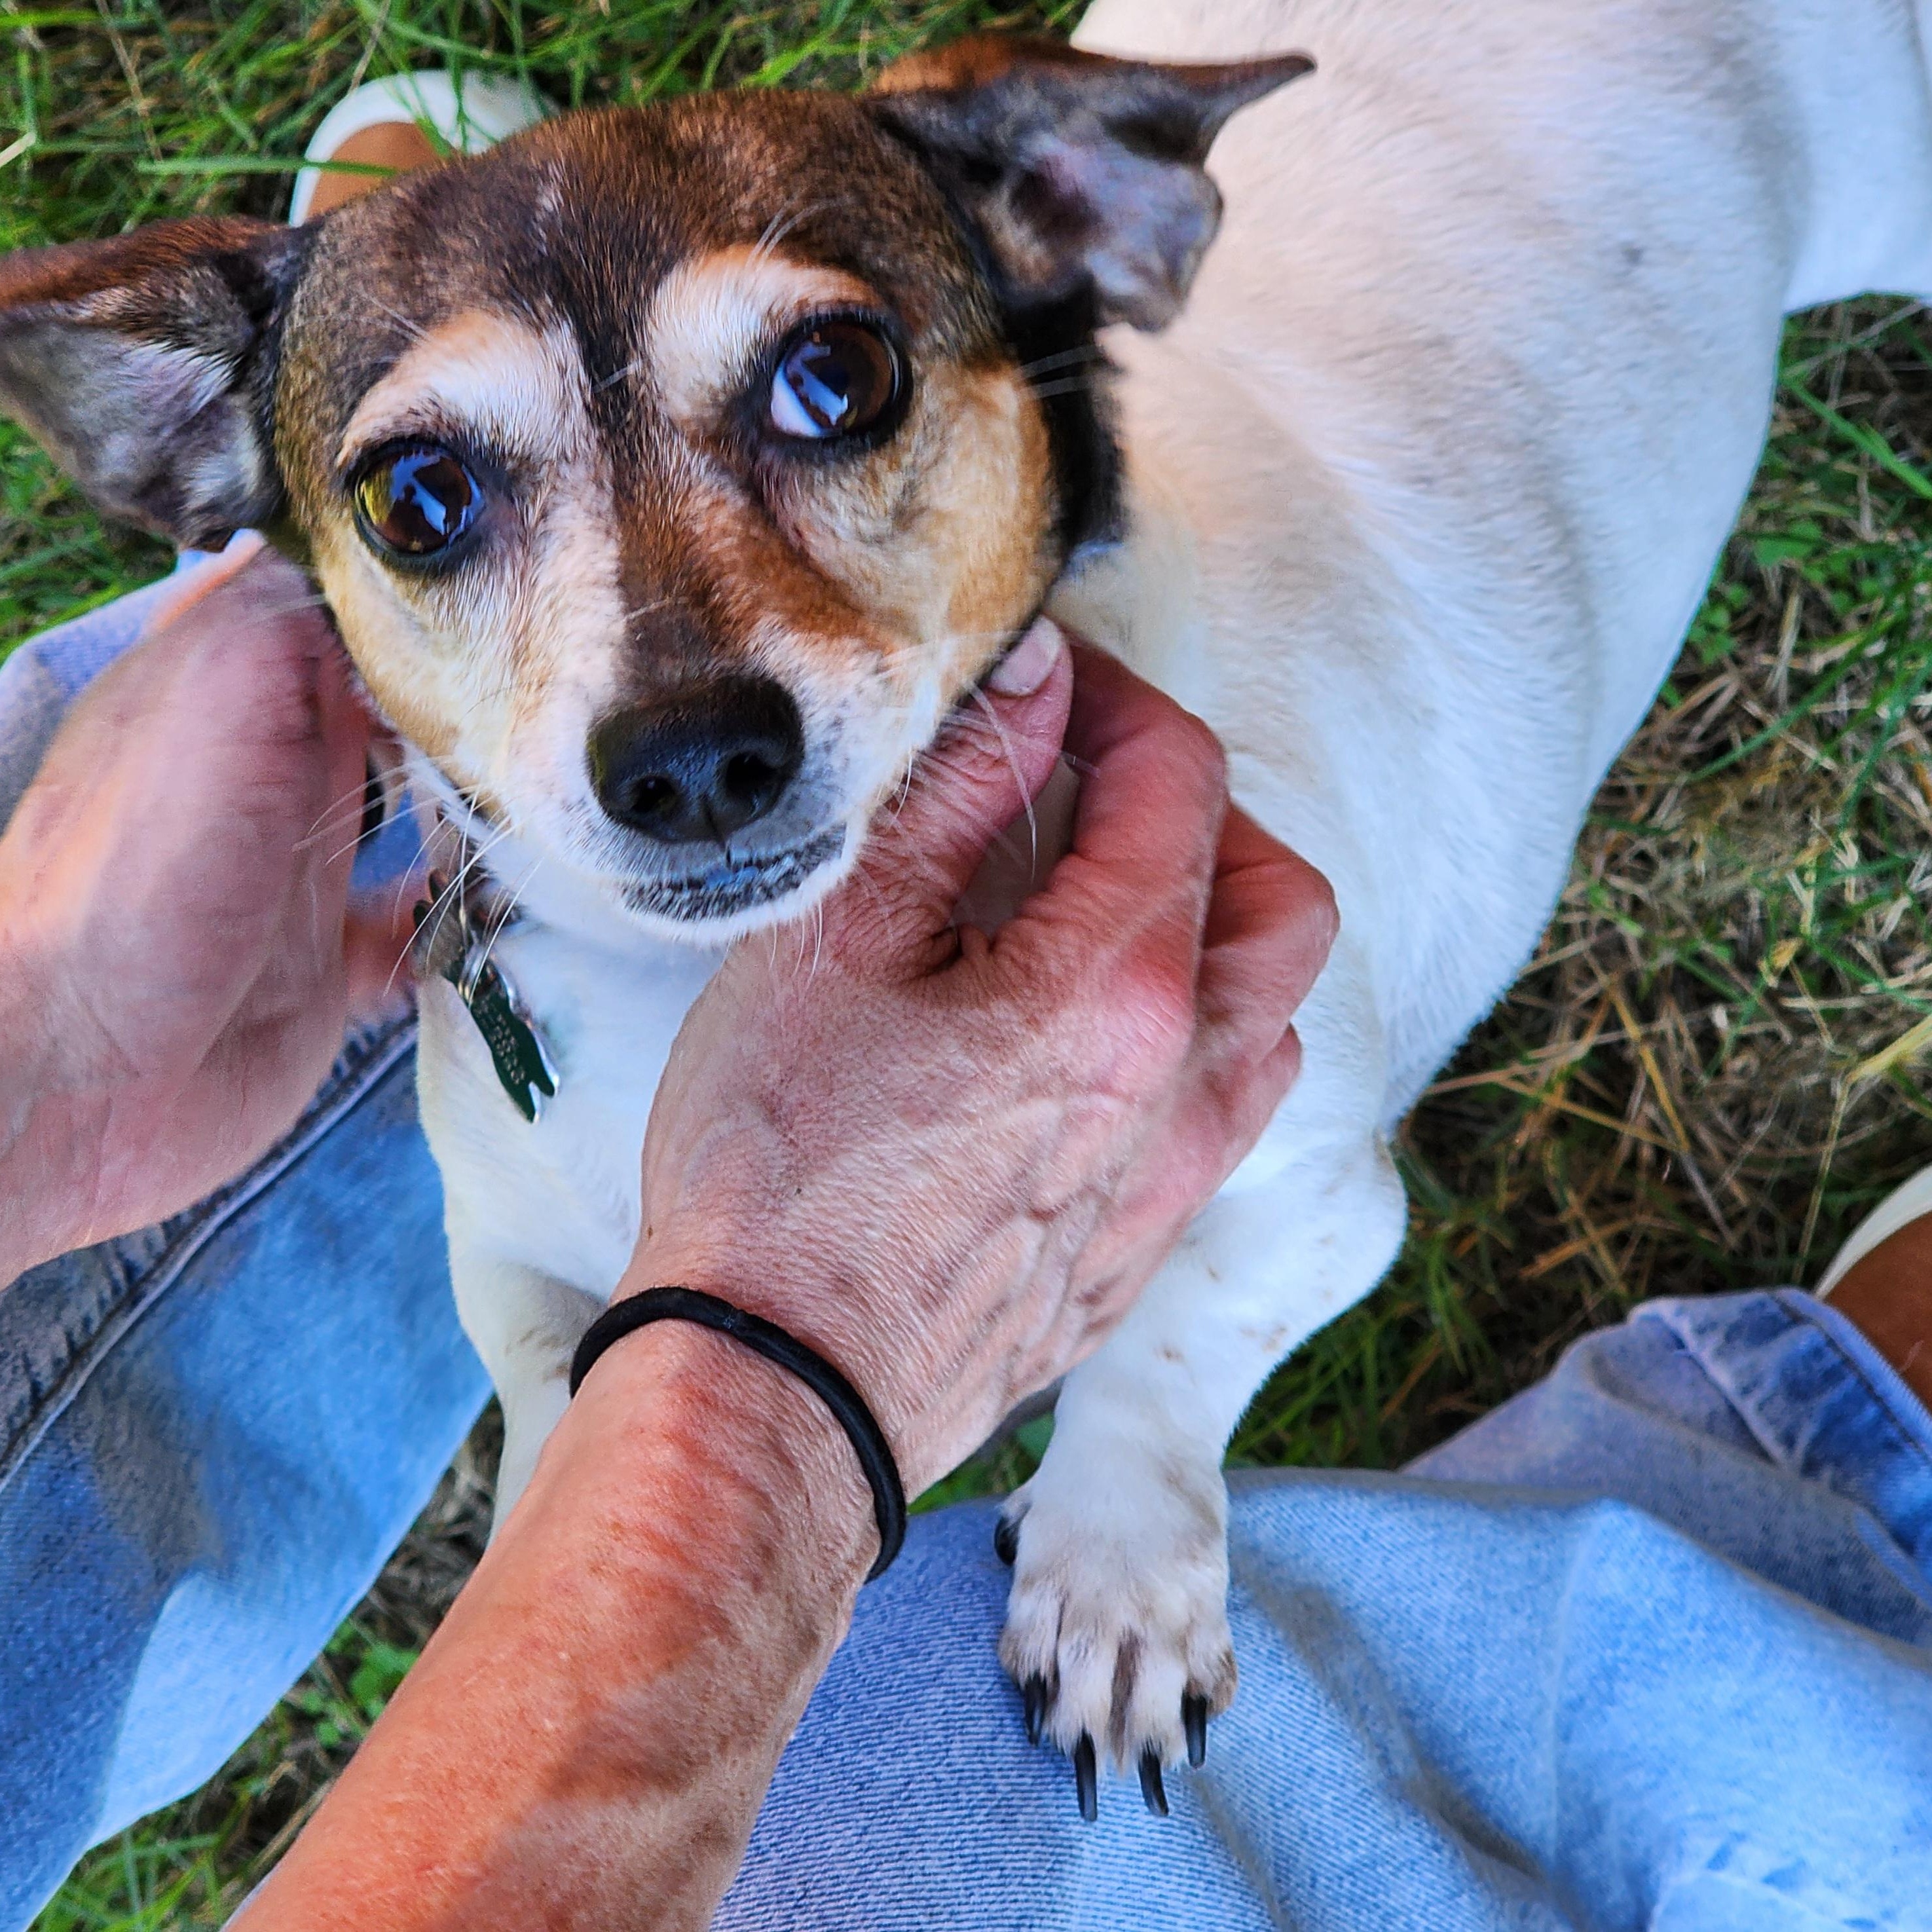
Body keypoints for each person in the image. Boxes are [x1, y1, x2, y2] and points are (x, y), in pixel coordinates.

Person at [2, 79, 1929, 1932]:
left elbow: (1309, 1211)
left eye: (822, 387)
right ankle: (478, 244)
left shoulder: (1261, 826)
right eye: (431, 495)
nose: (667, 712)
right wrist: (577, 1445)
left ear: (1089, 221)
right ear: (214, 478)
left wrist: (1134, 1463)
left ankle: (478, 258)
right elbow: (528, 1276)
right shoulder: (477, 952)